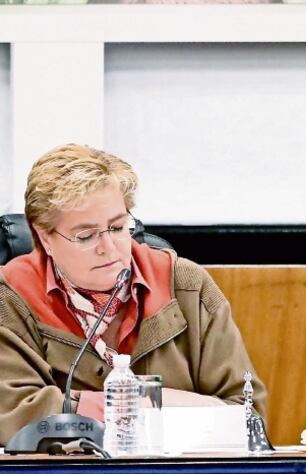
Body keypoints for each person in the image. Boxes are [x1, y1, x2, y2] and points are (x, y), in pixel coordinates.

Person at [0, 144, 267, 445]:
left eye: (117, 227)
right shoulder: (10, 296)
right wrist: (145, 404)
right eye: (86, 236)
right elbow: (13, 415)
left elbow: (247, 417)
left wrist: (93, 408)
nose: (109, 248)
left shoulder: (187, 286)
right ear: (45, 237)